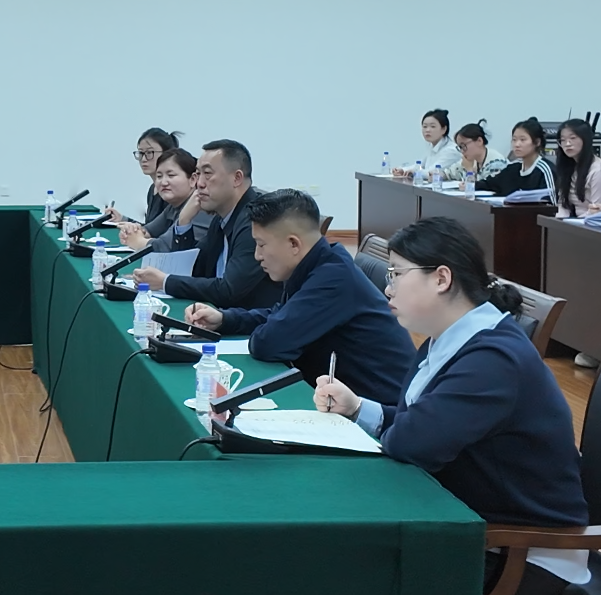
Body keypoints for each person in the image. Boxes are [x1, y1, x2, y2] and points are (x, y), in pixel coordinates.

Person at [309, 216, 589, 595]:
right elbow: (418, 422)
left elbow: (412, 443)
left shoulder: (492, 359)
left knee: (333, 571)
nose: (388, 287)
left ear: (441, 278)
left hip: (519, 554)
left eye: (397, 274)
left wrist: (394, 428)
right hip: (469, 523)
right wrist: (357, 408)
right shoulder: (451, 337)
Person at [180, 189, 416, 404]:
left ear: (294, 244)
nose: (257, 255)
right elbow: (281, 315)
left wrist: (267, 327)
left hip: (378, 414)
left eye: (261, 245)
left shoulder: (333, 279)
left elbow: (268, 344)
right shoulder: (318, 263)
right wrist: (225, 319)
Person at [131, 139, 284, 310]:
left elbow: (228, 290)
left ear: (237, 178)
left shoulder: (255, 221)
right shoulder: (221, 218)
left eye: (208, 174)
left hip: (250, 320)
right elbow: (192, 267)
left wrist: (165, 282)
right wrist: (184, 221)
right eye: (198, 173)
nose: (199, 183)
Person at [115, 146, 199, 249]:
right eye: (159, 176)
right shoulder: (173, 206)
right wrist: (132, 230)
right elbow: (148, 231)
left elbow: (166, 247)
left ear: (193, 179)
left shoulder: (199, 207)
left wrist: (138, 242)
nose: (163, 182)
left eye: (171, 175)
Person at [551, 118, 601, 218]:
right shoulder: (568, 167)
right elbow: (563, 204)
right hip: (575, 221)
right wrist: (559, 221)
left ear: (585, 140)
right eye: (563, 140)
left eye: (573, 138)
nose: (567, 144)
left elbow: (597, 210)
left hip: (595, 222)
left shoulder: (600, 170)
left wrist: (572, 223)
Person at [479, 118, 554, 197]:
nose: (517, 144)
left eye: (522, 140)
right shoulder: (513, 168)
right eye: (514, 140)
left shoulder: (544, 170)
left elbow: (551, 202)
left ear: (537, 142)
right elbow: (489, 184)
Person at [393, 110, 462, 181]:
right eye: (425, 126)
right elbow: (420, 165)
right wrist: (403, 170)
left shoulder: (451, 151)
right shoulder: (432, 146)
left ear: (444, 129)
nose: (427, 130)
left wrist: (415, 172)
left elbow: (432, 172)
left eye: (432, 126)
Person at [448, 121, 494, 187]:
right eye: (460, 147)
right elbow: (450, 173)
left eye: (463, 146)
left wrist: (469, 170)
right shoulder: (472, 159)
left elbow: (486, 186)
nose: (462, 151)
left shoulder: (496, 163)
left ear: (479, 141)